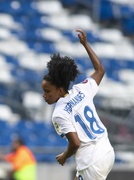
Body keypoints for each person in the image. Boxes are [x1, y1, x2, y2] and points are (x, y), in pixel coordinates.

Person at [41, 29, 115, 180]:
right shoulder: (82, 90)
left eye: (48, 91)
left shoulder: (59, 113)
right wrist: (85, 44)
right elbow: (100, 70)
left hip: (91, 161)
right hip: (106, 150)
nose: (44, 95)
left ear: (60, 90)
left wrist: (64, 156)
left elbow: (75, 143)